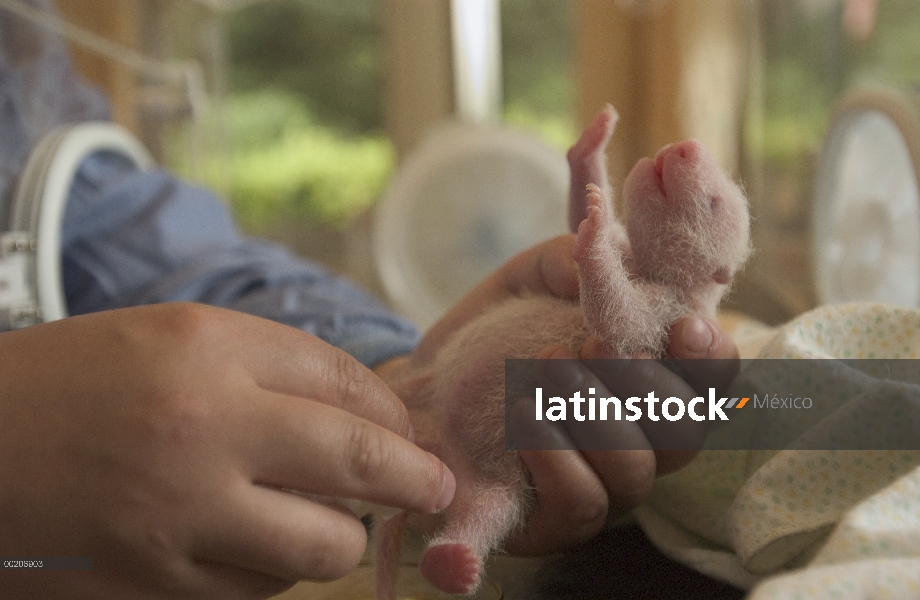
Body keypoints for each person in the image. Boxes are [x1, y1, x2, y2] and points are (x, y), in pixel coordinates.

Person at [0, 2, 739, 598]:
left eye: (707, 198)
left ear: (717, 274)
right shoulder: (613, 259)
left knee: (480, 491)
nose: (683, 159)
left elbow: (96, 216)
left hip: (442, 408)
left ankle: (458, 542)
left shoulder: (647, 291)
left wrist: (367, 372)